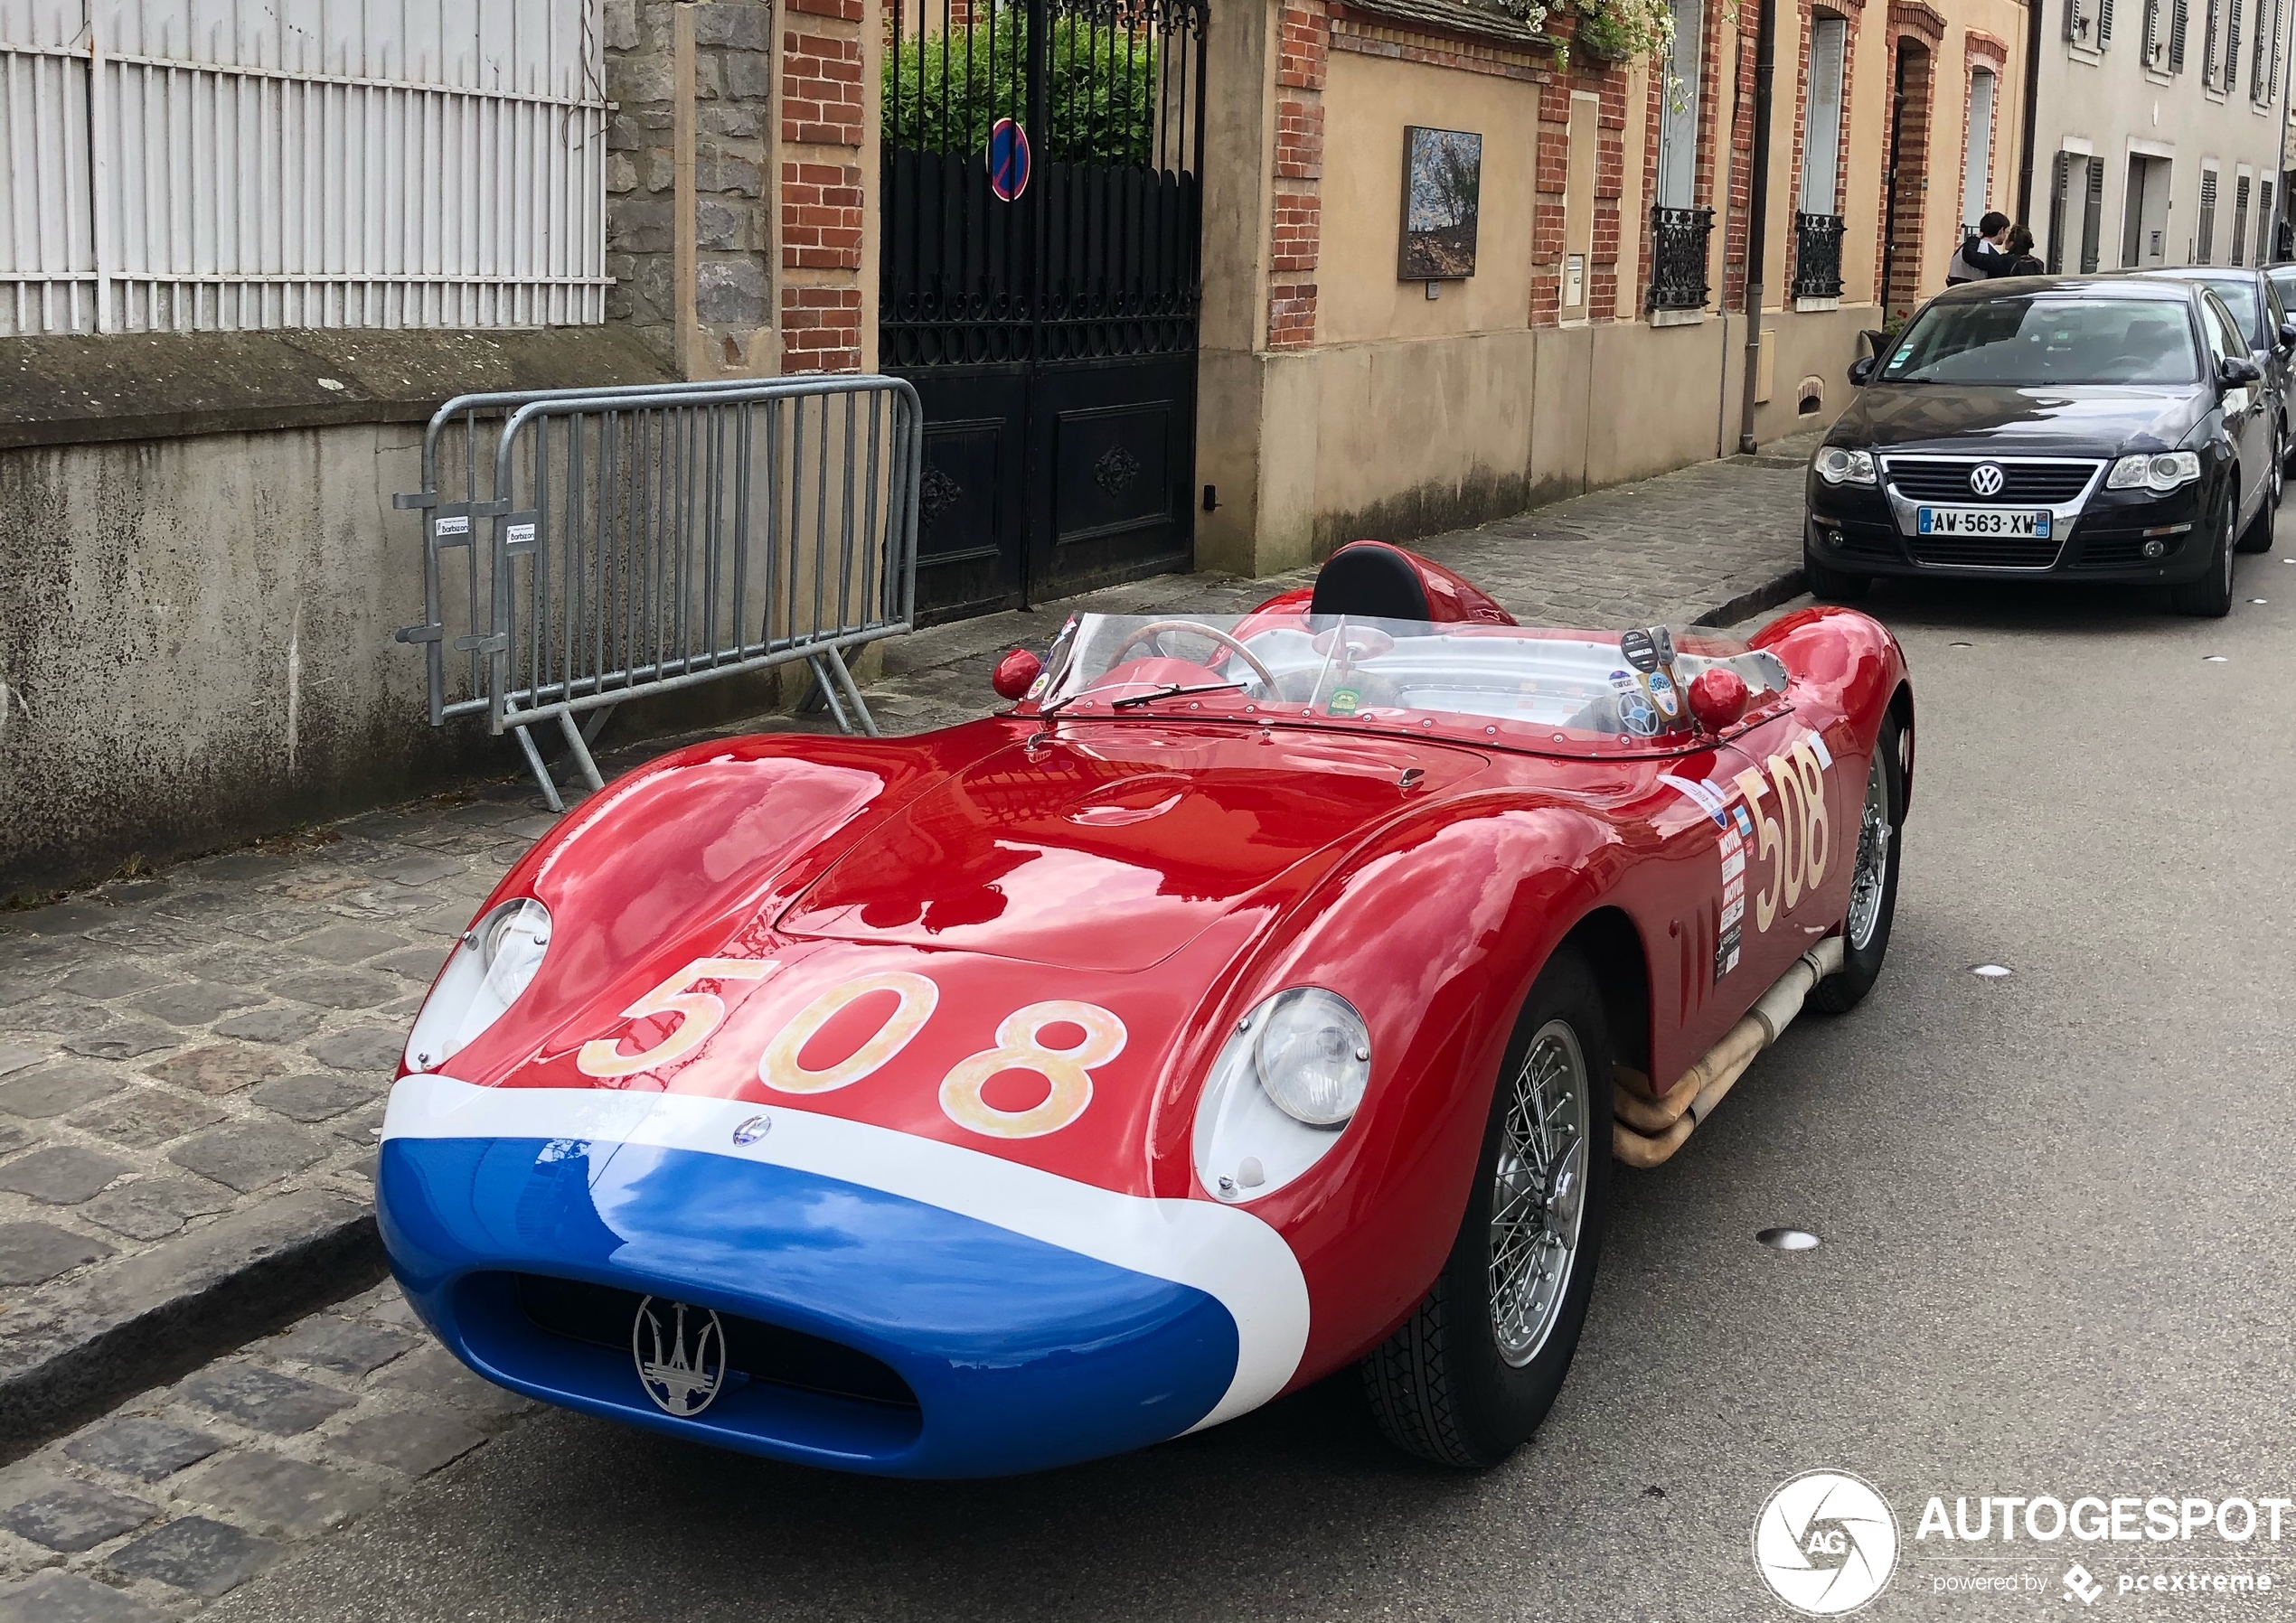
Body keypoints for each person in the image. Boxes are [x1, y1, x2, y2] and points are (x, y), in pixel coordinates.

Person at [1946, 211, 2011, 284]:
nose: (2006, 236)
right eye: (2007, 231)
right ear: (2001, 231)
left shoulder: (1963, 247)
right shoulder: (1991, 253)